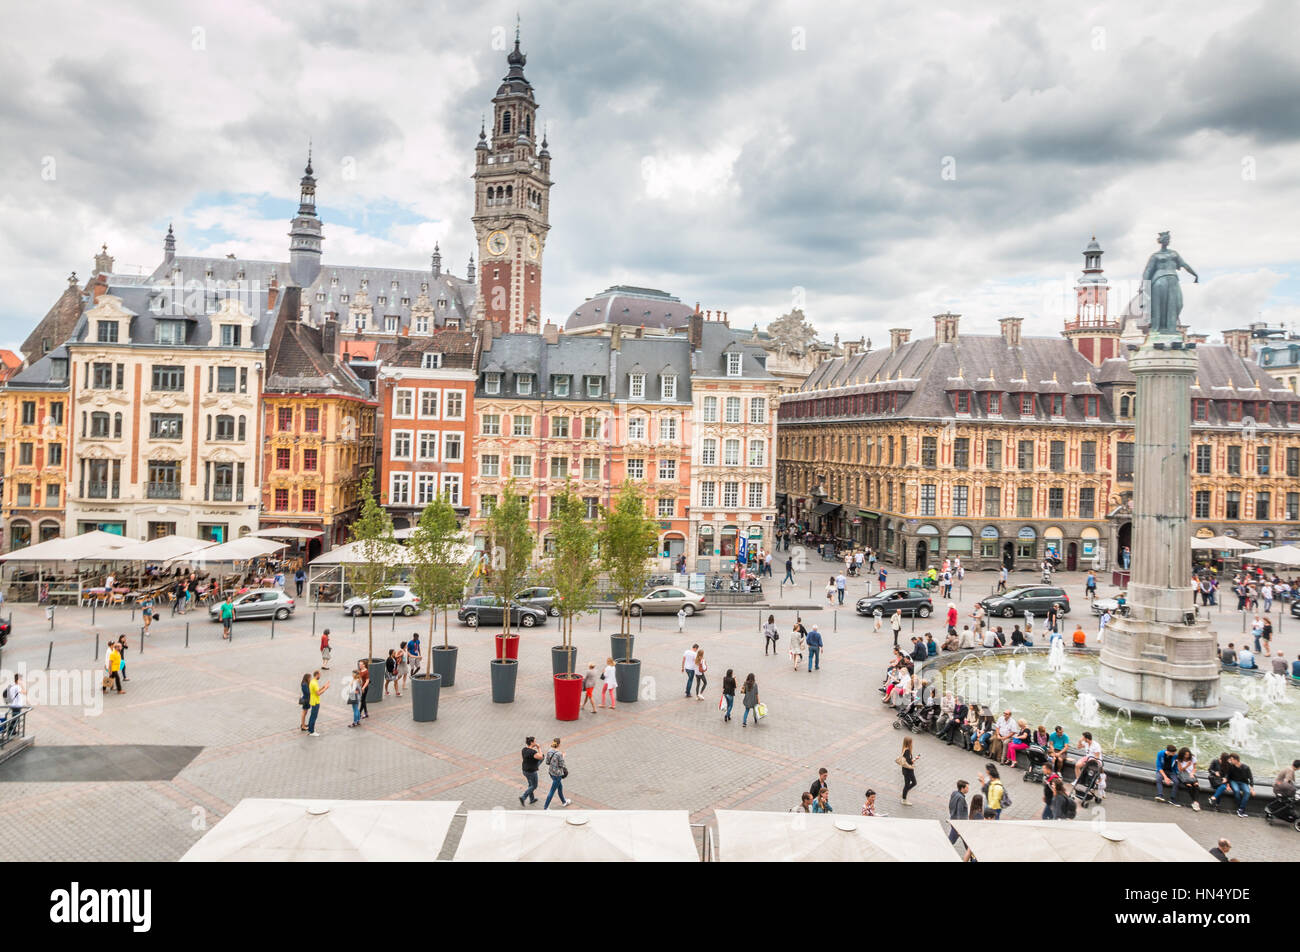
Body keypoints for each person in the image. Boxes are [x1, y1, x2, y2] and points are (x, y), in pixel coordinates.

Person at [542, 738, 571, 809]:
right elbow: (561, 765)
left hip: (551, 772)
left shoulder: (549, 751)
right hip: (557, 775)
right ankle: (546, 807)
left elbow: (547, 762)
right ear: (559, 744)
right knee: (552, 791)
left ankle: (564, 801)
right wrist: (563, 756)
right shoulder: (559, 754)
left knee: (560, 787)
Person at [519, 736, 544, 805]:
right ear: (532, 742)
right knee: (534, 786)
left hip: (525, 770)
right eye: (535, 741)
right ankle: (523, 797)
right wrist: (539, 748)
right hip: (531, 772)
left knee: (530, 784)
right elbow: (540, 756)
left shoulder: (524, 749)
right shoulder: (532, 752)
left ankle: (532, 799)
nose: (536, 742)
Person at [306, 670, 328, 736]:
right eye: (320, 675)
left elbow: (316, 691)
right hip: (315, 702)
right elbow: (318, 693)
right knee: (314, 716)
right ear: (317, 675)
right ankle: (312, 731)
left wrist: (323, 687)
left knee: (312, 716)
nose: (320, 676)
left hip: (313, 700)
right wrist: (326, 688)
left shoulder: (313, 681)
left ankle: (310, 729)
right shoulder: (314, 683)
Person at [899, 735, 919, 804]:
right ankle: (904, 798)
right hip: (908, 771)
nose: (912, 743)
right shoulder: (907, 751)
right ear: (909, 743)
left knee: (908, 784)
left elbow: (907, 760)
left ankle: (904, 793)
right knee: (912, 783)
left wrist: (912, 760)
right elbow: (908, 761)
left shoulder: (905, 749)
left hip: (906, 770)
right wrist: (914, 760)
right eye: (911, 742)